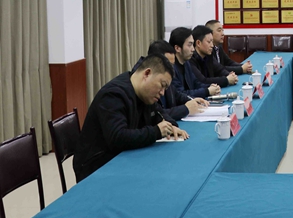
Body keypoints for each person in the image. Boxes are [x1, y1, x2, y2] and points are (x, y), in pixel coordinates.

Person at [73, 54, 189, 182]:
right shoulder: (113, 95)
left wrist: (171, 126)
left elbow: (158, 113)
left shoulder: (144, 94)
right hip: (97, 168)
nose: (162, 93)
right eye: (162, 85)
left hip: (122, 158)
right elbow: (118, 137)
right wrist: (156, 131)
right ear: (147, 74)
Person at [131, 40, 209, 121]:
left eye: (172, 65)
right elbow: (157, 114)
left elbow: (176, 95)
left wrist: (192, 100)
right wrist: (185, 109)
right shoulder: (143, 85)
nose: (172, 70)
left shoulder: (165, 76)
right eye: (168, 65)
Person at [169, 27, 221, 99]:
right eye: (189, 45)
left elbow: (196, 83)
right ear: (177, 48)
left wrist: (210, 87)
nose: (193, 49)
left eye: (193, 45)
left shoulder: (186, 63)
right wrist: (207, 91)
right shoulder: (170, 69)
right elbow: (181, 94)